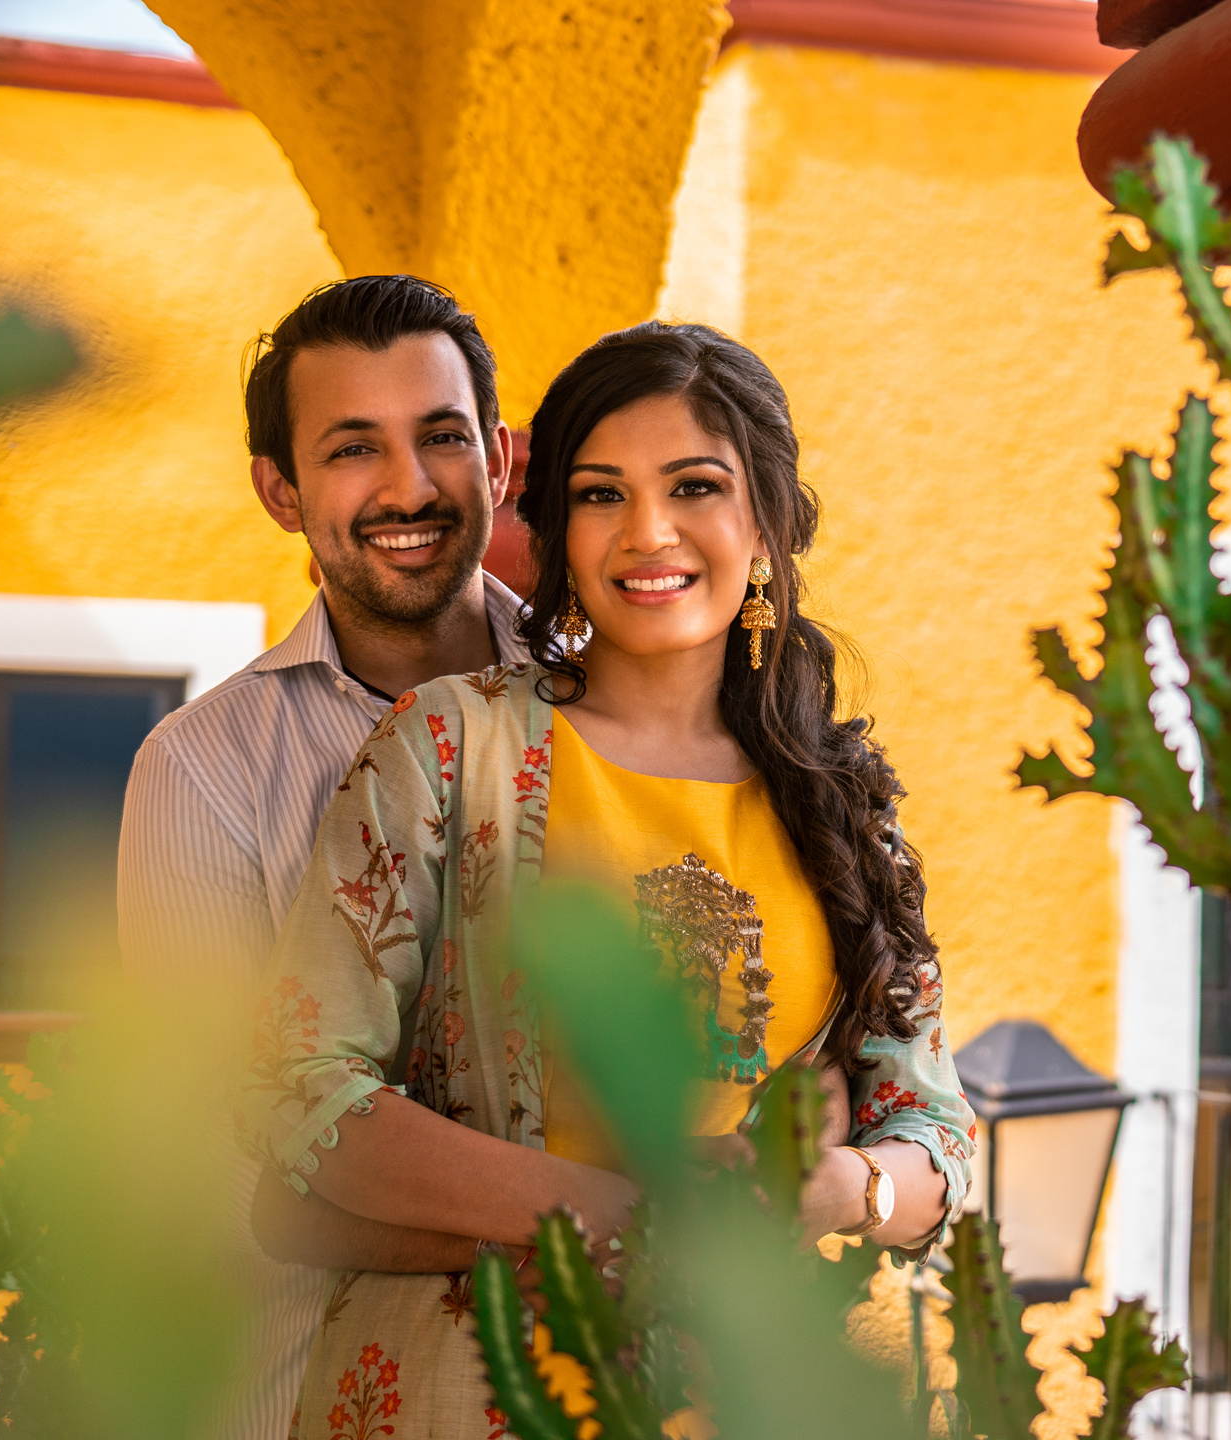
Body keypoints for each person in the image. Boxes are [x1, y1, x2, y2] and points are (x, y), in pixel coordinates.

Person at [243, 321, 976, 1431]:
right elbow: (300, 1081)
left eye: (695, 486)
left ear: (768, 524)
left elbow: (933, 1132)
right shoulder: (448, 750)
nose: (649, 533)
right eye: (599, 494)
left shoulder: (836, 800)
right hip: (470, 1385)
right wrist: (619, 1211)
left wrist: (842, 1189)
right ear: (553, 532)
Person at [117, 274, 529, 1440]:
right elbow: (228, 1172)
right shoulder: (201, 770)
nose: (409, 487)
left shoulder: (618, 702)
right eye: (353, 449)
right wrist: (611, 1226)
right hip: (299, 1393)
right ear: (280, 491)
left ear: (496, 457)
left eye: (441, 437)